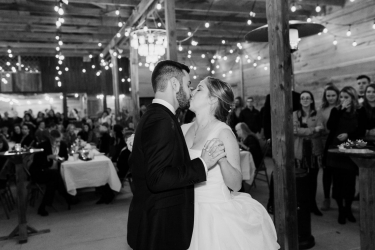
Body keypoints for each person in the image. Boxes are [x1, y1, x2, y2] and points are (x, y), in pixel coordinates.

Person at [127, 60, 225, 250]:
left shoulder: (157, 115)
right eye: (188, 85)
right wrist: (202, 163)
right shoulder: (161, 120)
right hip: (159, 226)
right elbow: (158, 178)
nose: (189, 91)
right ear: (174, 84)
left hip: (154, 219)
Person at [182, 76, 279, 249]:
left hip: (214, 212)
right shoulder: (184, 128)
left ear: (213, 99)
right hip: (186, 207)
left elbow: (235, 184)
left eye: (199, 89)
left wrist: (222, 160)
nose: (192, 91)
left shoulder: (224, 133)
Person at [325, 86, 366, 224]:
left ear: (353, 98)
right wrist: (341, 109)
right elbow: (330, 126)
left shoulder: (360, 111)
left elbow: (362, 131)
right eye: (341, 97)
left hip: (351, 149)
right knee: (337, 182)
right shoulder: (336, 110)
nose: (343, 100)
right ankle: (341, 210)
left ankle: (348, 208)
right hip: (335, 150)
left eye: (346, 97)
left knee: (349, 182)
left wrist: (349, 135)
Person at [293, 91, 324, 216]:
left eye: (307, 98)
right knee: (302, 179)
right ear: (300, 101)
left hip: (314, 151)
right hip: (300, 150)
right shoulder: (295, 114)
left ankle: (313, 204)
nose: (305, 100)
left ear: (311, 100)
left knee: (313, 179)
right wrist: (312, 130)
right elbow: (294, 130)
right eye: (302, 98)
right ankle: (302, 204)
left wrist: (304, 131)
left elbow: (320, 130)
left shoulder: (318, 114)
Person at [29, 130, 72, 216]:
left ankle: (43, 207)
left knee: (53, 181)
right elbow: (36, 162)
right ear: (51, 139)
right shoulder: (42, 146)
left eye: (60, 140)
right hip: (40, 172)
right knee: (54, 175)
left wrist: (62, 159)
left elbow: (66, 156)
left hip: (55, 173)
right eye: (56, 141)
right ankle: (67, 196)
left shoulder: (63, 144)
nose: (59, 143)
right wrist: (48, 157)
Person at [317, 85, 340, 211]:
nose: (331, 98)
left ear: (337, 96)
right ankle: (326, 198)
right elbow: (320, 123)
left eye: (333, 95)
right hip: (325, 141)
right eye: (328, 95)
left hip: (337, 141)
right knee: (326, 172)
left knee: (338, 171)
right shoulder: (322, 109)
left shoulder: (340, 108)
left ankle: (338, 197)